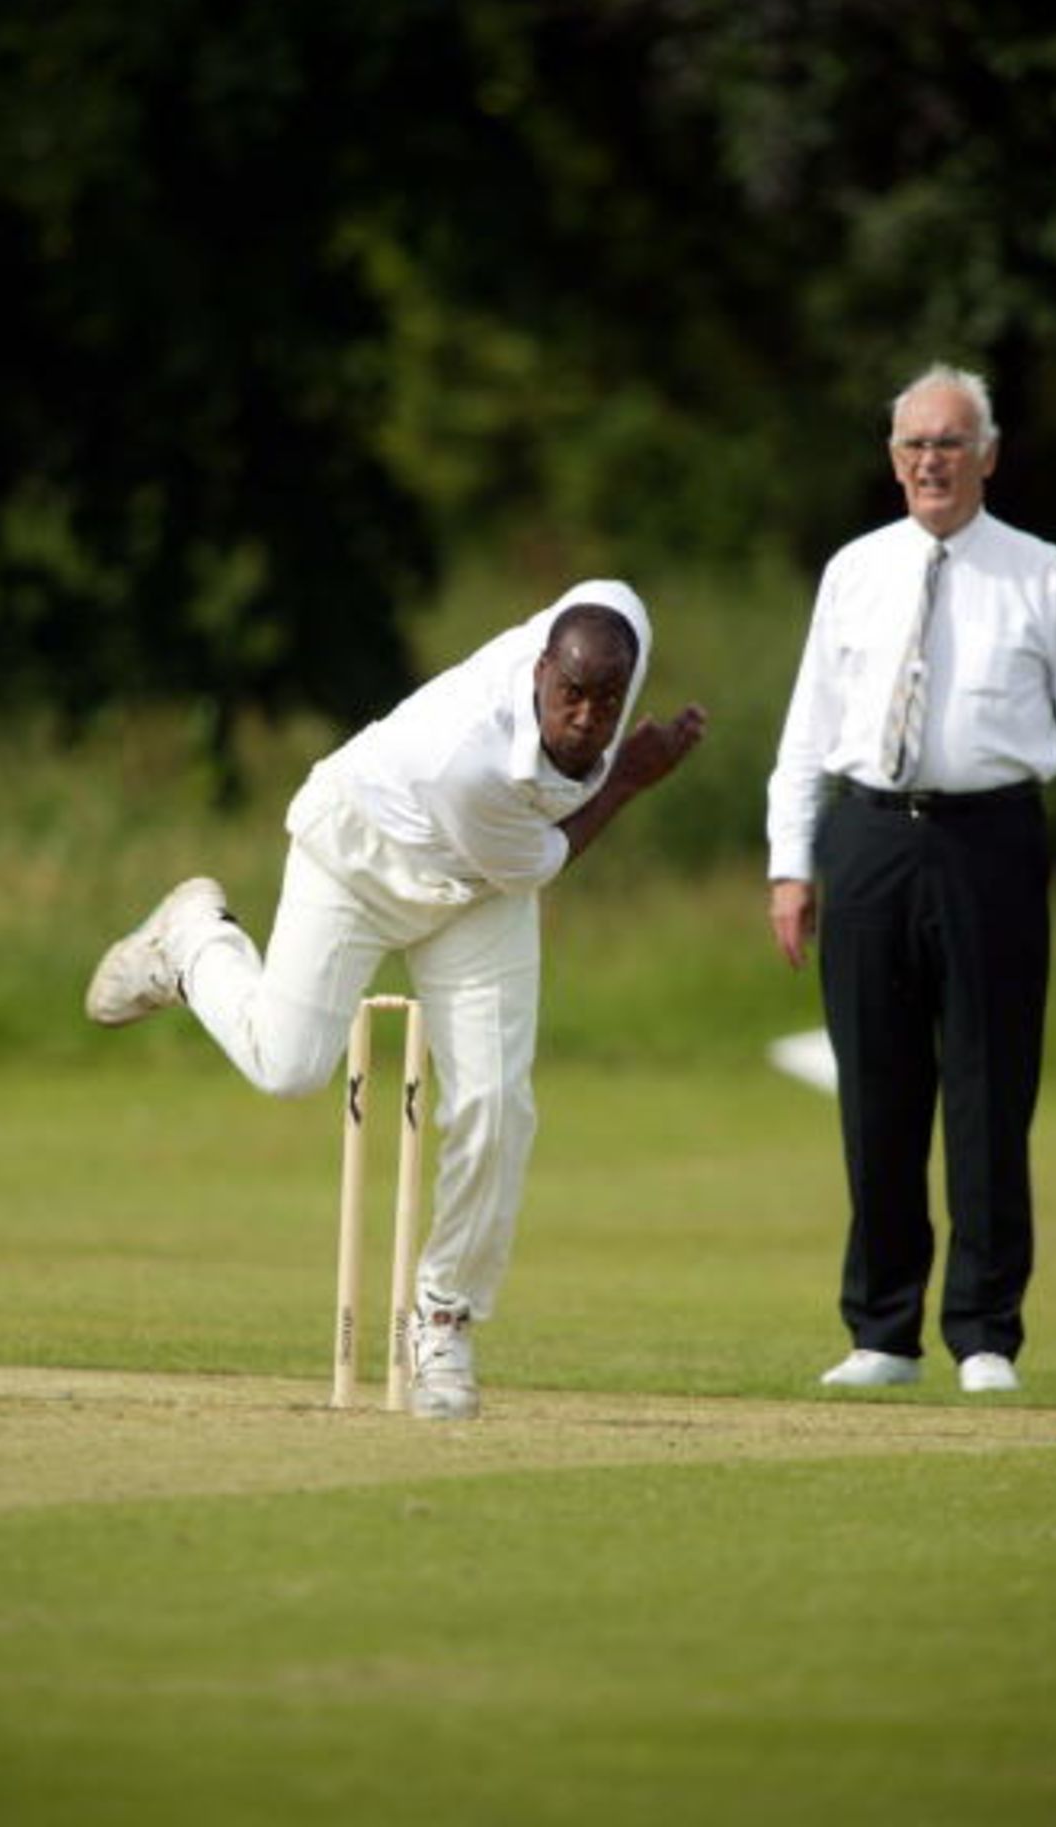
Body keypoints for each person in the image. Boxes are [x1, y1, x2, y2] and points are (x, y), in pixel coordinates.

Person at [86, 580, 707, 1420]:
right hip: (363, 851)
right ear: (538, 673)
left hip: (475, 893)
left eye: (608, 699)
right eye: (572, 696)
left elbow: (601, 607)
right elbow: (544, 862)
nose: (591, 718)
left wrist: (614, 748)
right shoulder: (470, 757)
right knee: (289, 1066)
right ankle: (194, 942)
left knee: (496, 1102)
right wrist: (628, 778)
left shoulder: (620, 622)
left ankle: (444, 1318)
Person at [767, 363, 1056, 1396]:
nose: (929, 460)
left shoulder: (1039, 574)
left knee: (986, 1093)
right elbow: (806, 731)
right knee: (875, 1093)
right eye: (912, 444)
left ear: (986, 455)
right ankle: (880, 1332)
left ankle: (983, 1333)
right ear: (891, 461)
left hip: (990, 844)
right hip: (869, 836)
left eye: (948, 442)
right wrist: (788, 863)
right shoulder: (853, 570)